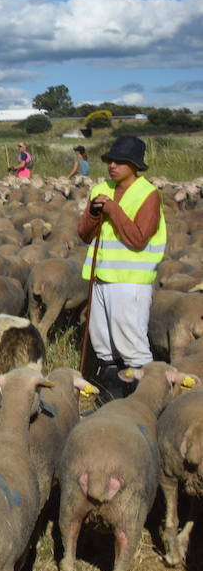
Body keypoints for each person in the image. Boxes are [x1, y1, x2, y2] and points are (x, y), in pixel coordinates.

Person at [77, 136, 165, 399]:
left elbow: (139, 238)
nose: (113, 165)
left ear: (135, 165)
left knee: (132, 345)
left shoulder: (148, 194)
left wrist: (113, 210)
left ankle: (146, 402)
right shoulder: (99, 189)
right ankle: (110, 398)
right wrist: (94, 213)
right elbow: (84, 234)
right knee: (103, 344)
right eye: (110, 160)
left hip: (130, 281)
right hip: (101, 277)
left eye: (120, 161)